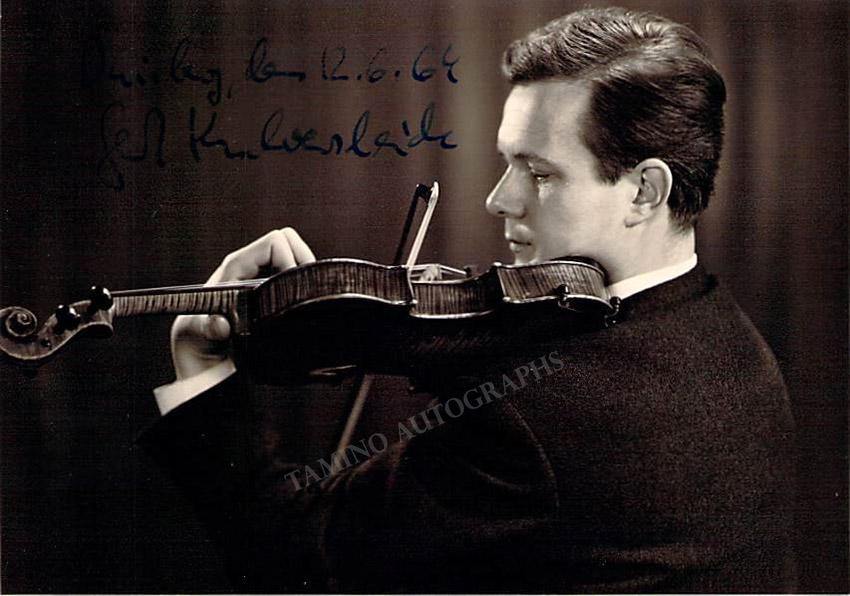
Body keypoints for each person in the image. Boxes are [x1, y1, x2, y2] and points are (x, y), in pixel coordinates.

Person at [140, 7, 796, 592]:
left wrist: (202, 369)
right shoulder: (735, 340)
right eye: (509, 163)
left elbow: (296, 557)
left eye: (540, 174)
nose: (499, 199)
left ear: (645, 191)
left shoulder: (534, 418)